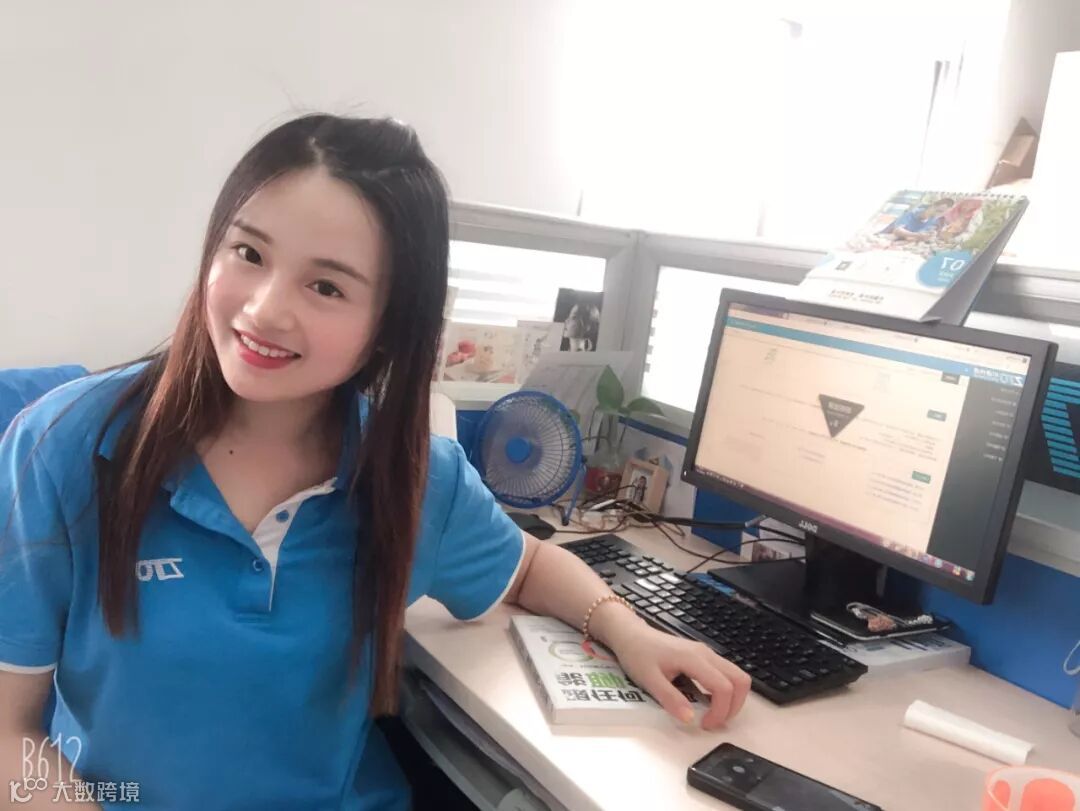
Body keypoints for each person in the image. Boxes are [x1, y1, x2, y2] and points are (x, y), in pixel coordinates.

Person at [0, 115, 750, 810]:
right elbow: (8, 733)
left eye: (325, 285)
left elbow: (526, 566)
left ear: (390, 326)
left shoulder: (413, 477)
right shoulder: (63, 446)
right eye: (248, 253)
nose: (264, 309)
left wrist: (631, 633)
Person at [881, 197, 954, 242]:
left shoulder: (932, 219)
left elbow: (913, 238)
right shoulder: (913, 212)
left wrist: (929, 235)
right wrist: (917, 235)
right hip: (884, 239)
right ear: (932, 206)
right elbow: (897, 231)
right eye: (938, 211)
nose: (937, 215)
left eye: (941, 214)